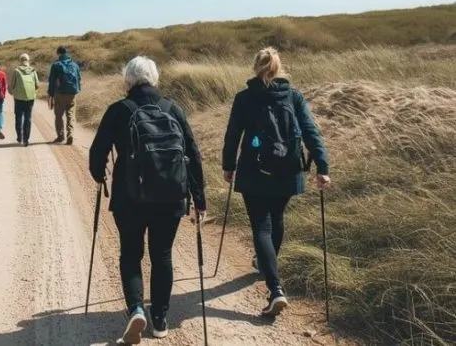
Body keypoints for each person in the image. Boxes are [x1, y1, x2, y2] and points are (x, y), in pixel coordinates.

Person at [89, 56, 206, 343]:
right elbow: (192, 153)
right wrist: (199, 199)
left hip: (129, 197)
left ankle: (136, 310)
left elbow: (97, 153)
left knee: (131, 254)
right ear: (155, 79)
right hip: (171, 197)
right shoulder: (172, 109)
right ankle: (161, 319)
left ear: (127, 80)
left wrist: (100, 175)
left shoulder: (118, 110)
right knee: (162, 255)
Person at [222, 47, 331, 317]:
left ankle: (275, 288)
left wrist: (228, 166)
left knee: (261, 226)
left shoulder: (245, 98)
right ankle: (267, 266)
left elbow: (233, 134)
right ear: (279, 68)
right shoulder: (293, 96)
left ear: (255, 68)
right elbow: (310, 131)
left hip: (254, 172)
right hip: (288, 171)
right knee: (276, 219)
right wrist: (322, 167)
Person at [48, 45, 81, 145]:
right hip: (72, 94)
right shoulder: (74, 65)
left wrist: (50, 94)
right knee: (70, 115)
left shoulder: (56, 65)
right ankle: (70, 134)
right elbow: (79, 79)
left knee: (59, 116)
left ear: (58, 53)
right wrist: (77, 90)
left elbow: (51, 81)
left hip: (59, 94)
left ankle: (60, 136)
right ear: (67, 53)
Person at [8, 53, 40, 146]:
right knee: (28, 118)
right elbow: (37, 85)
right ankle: (26, 139)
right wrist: (33, 92)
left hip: (18, 98)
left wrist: (12, 92)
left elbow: (11, 85)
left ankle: (19, 137)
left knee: (18, 117)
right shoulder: (33, 71)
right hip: (30, 98)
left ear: (20, 60)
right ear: (28, 60)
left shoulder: (16, 71)